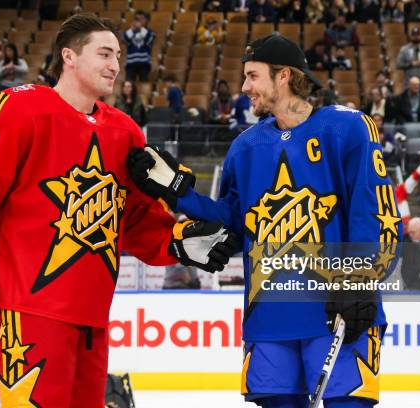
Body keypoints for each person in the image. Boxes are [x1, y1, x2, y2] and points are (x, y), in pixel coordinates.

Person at [0, 14, 236, 407]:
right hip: (28, 308)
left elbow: (133, 220)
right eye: (104, 53)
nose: (115, 65)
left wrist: (179, 242)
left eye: (117, 55)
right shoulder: (23, 109)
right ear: (69, 56)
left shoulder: (125, 132)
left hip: (93, 315)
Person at [128, 34, 402, 408]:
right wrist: (178, 190)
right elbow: (233, 223)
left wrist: (358, 280)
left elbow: (375, 211)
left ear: (284, 76)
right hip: (269, 314)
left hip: (336, 307)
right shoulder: (246, 146)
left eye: (253, 76)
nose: (244, 88)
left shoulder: (348, 128)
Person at [123, 10, 155, 81]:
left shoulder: (150, 32)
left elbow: (149, 40)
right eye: (137, 19)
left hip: (144, 63)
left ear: (146, 20)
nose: (139, 21)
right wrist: (132, 29)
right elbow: (125, 39)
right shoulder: (130, 31)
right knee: (129, 83)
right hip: (131, 62)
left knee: (144, 83)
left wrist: (141, 28)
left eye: (141, 18)